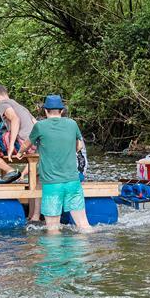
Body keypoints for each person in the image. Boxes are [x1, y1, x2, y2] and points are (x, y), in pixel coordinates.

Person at [25, 94, 93, 234]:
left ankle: (55, 255)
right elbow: (79, 145)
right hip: (73, 181)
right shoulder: (72, 124)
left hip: (52, 184)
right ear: (61, 111)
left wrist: (20, 153)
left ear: (45, 111)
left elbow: (27, 144)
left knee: (53, 229)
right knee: (83, 225)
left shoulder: (40, 126)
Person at [0, 84, 37, 179]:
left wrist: (11, 144)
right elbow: (35, 123)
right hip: (33, 144)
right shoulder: (20, 106)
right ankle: (5, 167)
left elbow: (15, 119)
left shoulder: (2, 104)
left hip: (22, 143)